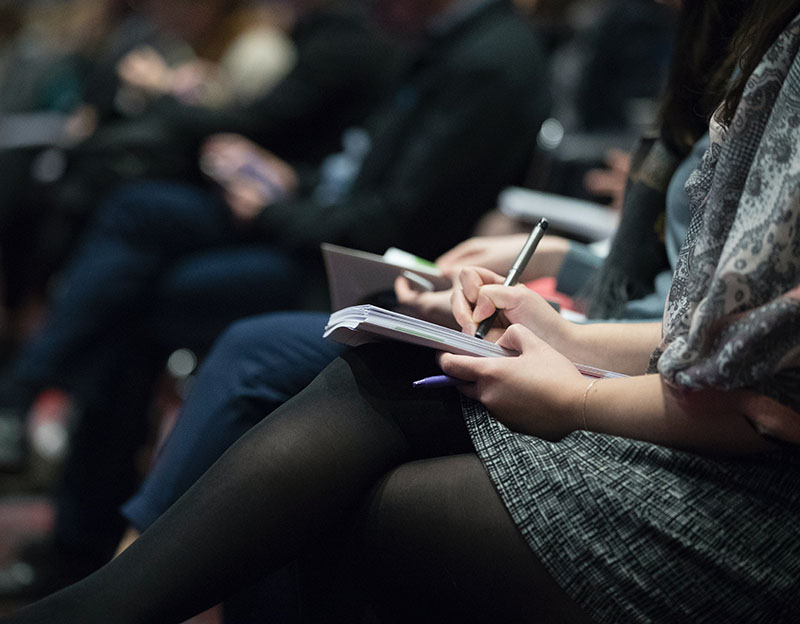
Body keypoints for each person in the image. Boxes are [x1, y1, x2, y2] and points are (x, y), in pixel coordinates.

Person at [2, 1, 798, 622]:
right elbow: (704, 331)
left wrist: (579, 382)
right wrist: (560, 326)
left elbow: (760, 397)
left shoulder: (487, 54)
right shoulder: (744, 59)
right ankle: (99, 583)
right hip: (664, 381)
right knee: (309, 336)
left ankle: (96, 576)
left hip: (751, 498)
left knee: (302, 428)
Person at [0, 0, 550, 599]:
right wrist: (291, 184)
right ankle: (94, 549)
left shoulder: (484, 57)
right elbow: (363, 178)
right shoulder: (441, 39)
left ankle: (103, 567)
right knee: (139, 217)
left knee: (155, 305)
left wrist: (276, 208)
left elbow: (393, 222)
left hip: (376, 278)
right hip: (332, 237)